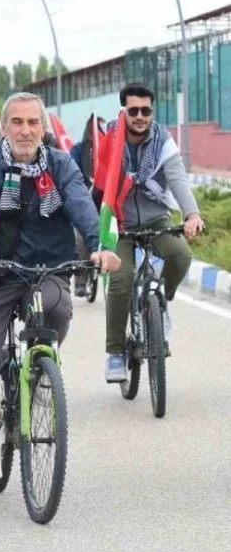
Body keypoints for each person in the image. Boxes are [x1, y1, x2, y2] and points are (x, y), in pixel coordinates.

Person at [0, 92, 121, 477]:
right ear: (4, 127)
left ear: (43, 128)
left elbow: (82, 205)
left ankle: (38, 372)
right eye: (17, 122)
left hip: (46, 271)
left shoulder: (62, 166)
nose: (25, 131)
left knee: (58, 309)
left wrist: (100, 246)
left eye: (33, 123)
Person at [104, 83, 204, 382]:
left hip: (155, 218)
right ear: (124, 111)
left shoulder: (163, 142)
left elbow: (177, 179)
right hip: (119, 223)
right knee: (121, 281)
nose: (139, 117)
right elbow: (96, 180)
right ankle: (115, 353)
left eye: (145, 111)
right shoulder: (110, 139)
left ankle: (160, 304)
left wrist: (192, 214)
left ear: (152, 112)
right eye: (133, 110)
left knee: (181, 255)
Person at [67, 115, 106, 297]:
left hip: (104, 201)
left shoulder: (108, 149)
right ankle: (80, 281)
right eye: (93, 129)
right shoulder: (78, 150)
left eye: (99, 129)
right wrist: (85, 183)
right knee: (80, 239)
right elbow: (70, 172)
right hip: (83, 200)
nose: (96, 133)